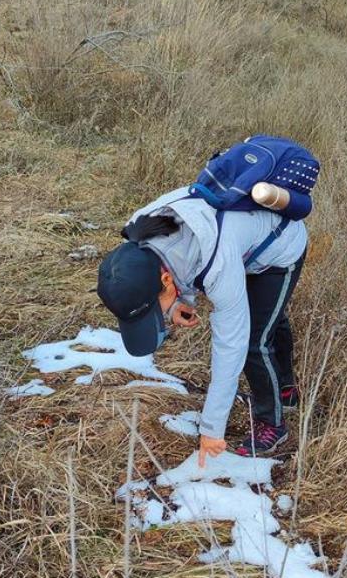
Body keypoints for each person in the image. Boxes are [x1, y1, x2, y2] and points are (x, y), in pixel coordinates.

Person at [97, 186, 307, 467]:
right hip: (242, 245)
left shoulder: (217, 263)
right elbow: (177, 262)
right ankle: (285, 392)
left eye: (152, 311)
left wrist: (211, 429)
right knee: (268, 317)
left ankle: (273, 422)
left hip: (280, 247)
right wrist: (172, 306)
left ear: (166, 282)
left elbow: (231, 346)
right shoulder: (139, 233)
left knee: (256, 338)